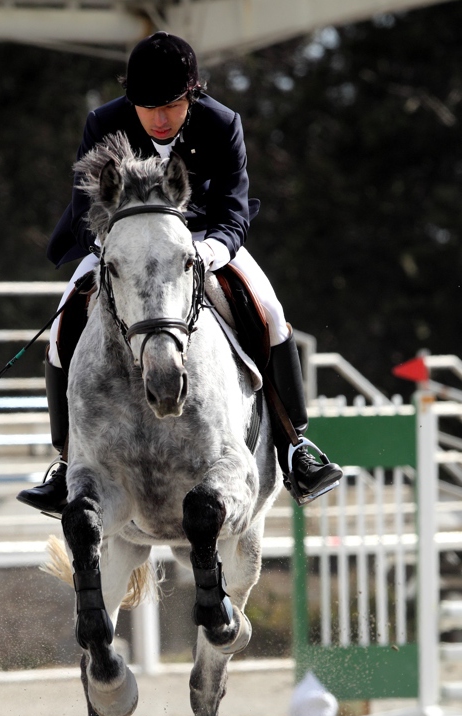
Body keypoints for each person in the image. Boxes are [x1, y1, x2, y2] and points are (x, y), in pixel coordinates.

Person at [18, 31, 342, 516]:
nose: (162, 119)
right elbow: (86, 211)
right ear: (132, 101)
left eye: (172, 105)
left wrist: (213, 248)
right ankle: (66, 462)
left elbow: (234, 209)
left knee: (271, 314)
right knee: (62, 325)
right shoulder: (104, 123)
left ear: (192, 94)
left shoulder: (221, 122)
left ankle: (296, 446)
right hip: (120, 246)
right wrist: (112, 245)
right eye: (149, 108)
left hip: (203, 243)